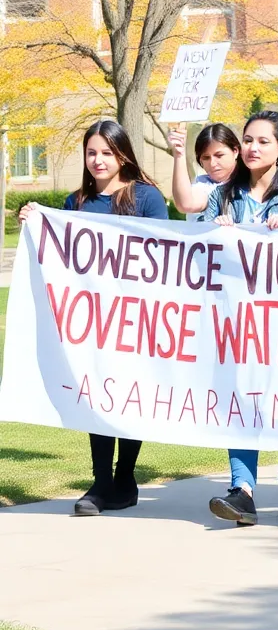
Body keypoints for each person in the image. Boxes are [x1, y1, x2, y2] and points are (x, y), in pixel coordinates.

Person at [19, 121, 169, 516]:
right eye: (92, 152)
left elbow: (164, 256)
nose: (98, 160)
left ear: (123, 154)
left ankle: (125, 478)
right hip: (92, 322)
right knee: (95, 394)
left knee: (130, 397)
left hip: (136, 318)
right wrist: (36, 220)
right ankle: (102, 482)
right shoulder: (76, 203)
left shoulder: (146, 197)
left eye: (107, 152)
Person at [204, 111, 278, 526]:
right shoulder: (223, 195)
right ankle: (244, 491)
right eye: (248, 140)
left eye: (263, 142)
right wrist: (215, 229)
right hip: (236, 321)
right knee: (241, 400)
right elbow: (199, 252)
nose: (253, 148)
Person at [168, 123, 239, 221]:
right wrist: (179, 154)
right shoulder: (204, 185)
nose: (213, 163)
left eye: (219, 155)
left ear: (235, 151)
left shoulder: (252, 182)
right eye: (206, 158)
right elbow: (185, 204)